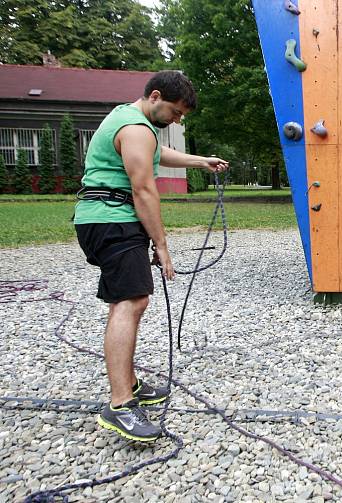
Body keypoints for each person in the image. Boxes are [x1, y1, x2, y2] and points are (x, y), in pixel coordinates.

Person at [73, 70, 229, 441]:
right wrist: (161, 245)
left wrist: (200, 161)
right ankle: (120, 404)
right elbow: (144, 190)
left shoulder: (131, 120)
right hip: (112, 221)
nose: (178, 119)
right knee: (130, 301)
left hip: (104, 220)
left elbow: (159, 154)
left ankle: (129, 383)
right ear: (155, 96)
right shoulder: (138, 128)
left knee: (130, 300)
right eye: (175, 112)